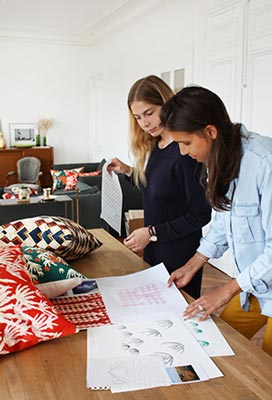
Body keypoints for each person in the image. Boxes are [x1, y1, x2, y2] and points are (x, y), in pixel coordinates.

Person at [161, 85, 272, 356]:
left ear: (210, 132)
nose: (184, 153)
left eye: (185, 143)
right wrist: (194, 262)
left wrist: (225, 290)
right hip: (258, 283)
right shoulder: (219, 157)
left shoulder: (264, 163)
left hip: (259, 277)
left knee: (264, 368)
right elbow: (225, 221)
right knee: (221, 341)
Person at [108, 76, 211, 299]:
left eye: (149, 113)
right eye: (137, 117)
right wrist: (128, 171)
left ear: (167, 104)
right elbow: (156, 189)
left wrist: (152, 232)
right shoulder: (156, 145)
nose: (144, 123)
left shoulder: (185, 152)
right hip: (155, 247)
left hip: (180, 255)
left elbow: (201, 214)